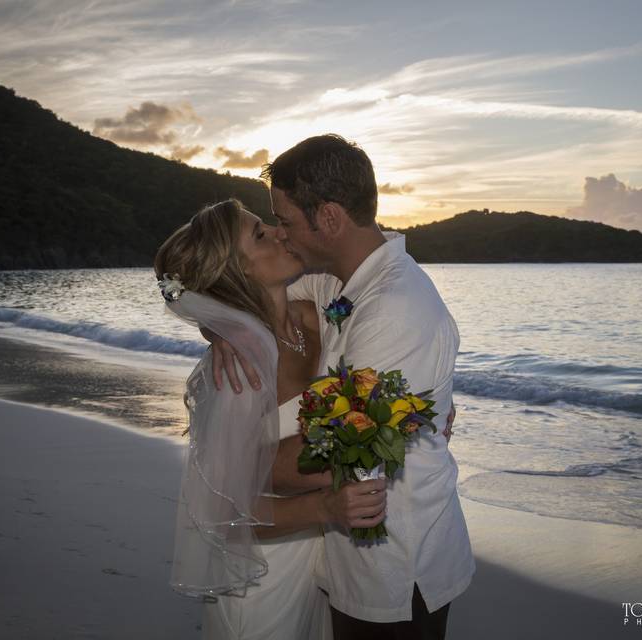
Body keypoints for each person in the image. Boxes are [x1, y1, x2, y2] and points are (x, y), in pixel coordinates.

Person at [209, 135, 475, 639]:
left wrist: (234, 470)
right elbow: (243, 287)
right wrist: (217, 325)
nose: (282, 236)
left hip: (395, 567)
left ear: (328, 218)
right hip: (349, 558)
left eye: (285, 221)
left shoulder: (394, 307)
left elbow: (334, 455)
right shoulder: (339, 280)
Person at [155, 198, 388, 640]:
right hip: (263, 580)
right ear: (237, 272)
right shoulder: (237, 369)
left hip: (320, 563)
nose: (281, 231)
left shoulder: (313, 314)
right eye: (261, 234)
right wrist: (323, 506)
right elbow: (222, 512)